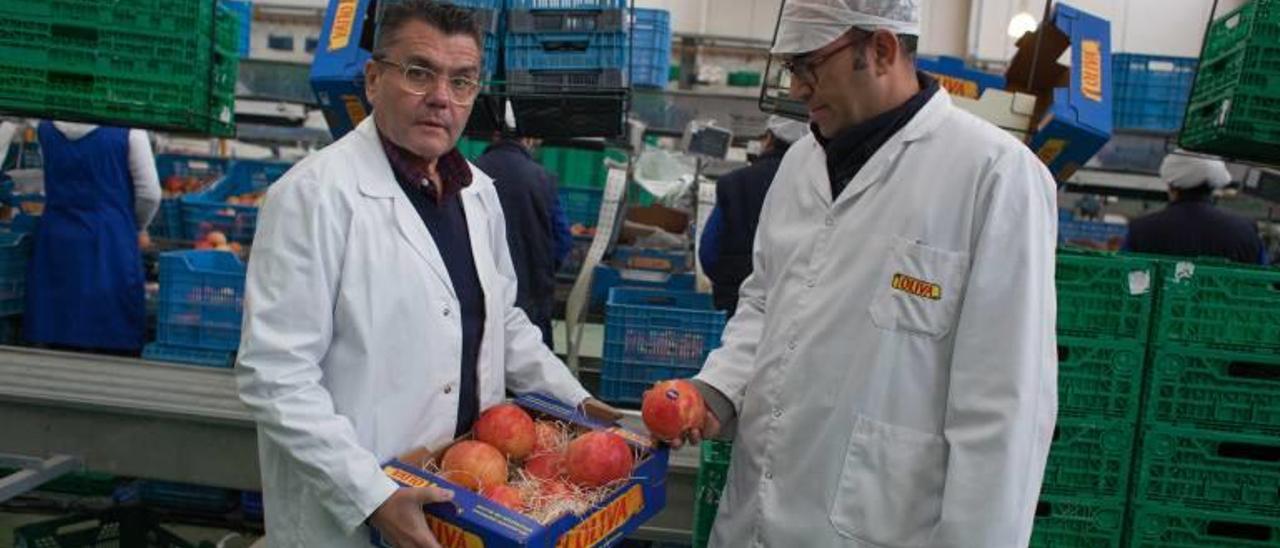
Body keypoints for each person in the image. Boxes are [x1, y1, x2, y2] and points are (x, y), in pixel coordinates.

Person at [662, 1, 1060, 546]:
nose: (798, 88)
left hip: (878, 524)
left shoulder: (994, 177)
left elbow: (1005, 408)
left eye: (810, 65)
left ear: (881, 49)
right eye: (792, 69)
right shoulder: (799, 167)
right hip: (754, 515)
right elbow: (763, 303)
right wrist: (718, 390)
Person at [235, 3, 617, 547]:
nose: (442, 96)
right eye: (419, 72)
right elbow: (275, 374)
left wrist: (579, 407)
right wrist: (371, 493)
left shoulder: (480, 195)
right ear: (373, 78)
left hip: (464, 497)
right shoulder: (313, 196)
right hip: (349, 511)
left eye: (461, 81)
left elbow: (503, 323)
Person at [24, 121, 160, 355]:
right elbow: (150, 194)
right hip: (110, 240)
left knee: (55, 338)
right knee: (110, 339)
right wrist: (135, 226)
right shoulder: (129, 131)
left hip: (57, 240)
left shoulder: (46, 127)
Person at [472, 108, 573, 348]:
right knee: (532, 374)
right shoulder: (542, 179)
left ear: (494, 135)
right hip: (531, 302)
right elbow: (563, 241)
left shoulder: (469, 173)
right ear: (528, 139)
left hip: (479, 305)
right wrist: (541, 268)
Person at [699, 115, 809, 316]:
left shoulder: (735, 183)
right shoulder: (816, 185)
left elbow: (709, 254)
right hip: (792, 310)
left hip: (734, 305)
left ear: (768, 139)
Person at [1125, 154, 1267, 264]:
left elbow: (1121, 277)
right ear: (1212, 188)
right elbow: (1264, 282)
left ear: (1171, 188)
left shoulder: (1141, 229)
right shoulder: (1246, 230)